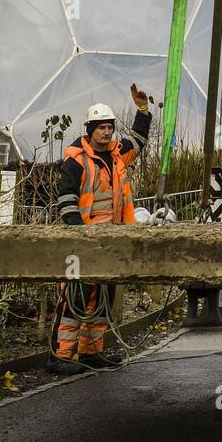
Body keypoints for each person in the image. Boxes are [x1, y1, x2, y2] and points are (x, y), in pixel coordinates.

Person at [47, 83, 151, 374]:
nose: (107, 132)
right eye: (101, 127)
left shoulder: (118, 155)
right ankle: (61, 356)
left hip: (111, 241)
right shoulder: (76, 161)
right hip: (83, 241)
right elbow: (66, 199)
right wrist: (79, 234)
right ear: (89, 130)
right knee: (76, 299)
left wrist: (142, 110)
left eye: (110, 127)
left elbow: (139, 140)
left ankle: (91, 353)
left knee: (102, 300)